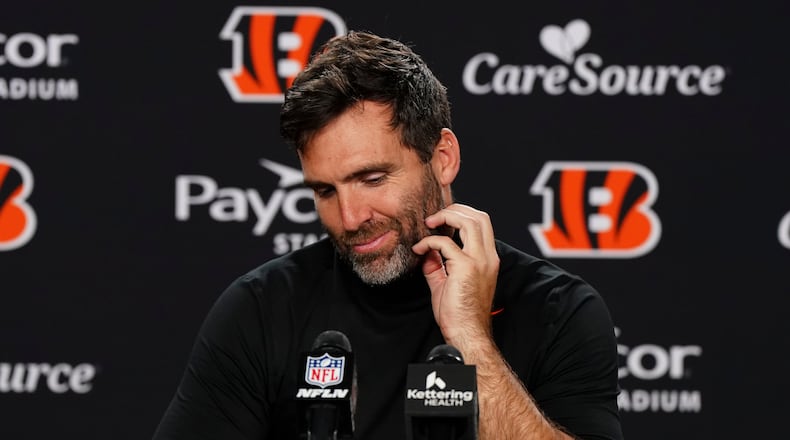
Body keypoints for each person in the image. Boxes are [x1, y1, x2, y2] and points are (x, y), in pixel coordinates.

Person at [153, 30, 623, 440]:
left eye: (373, 179)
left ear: (442, 157)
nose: (351, 217)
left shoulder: (556, 310)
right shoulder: (261, 309)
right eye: (324, 190)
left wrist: (470, 336)